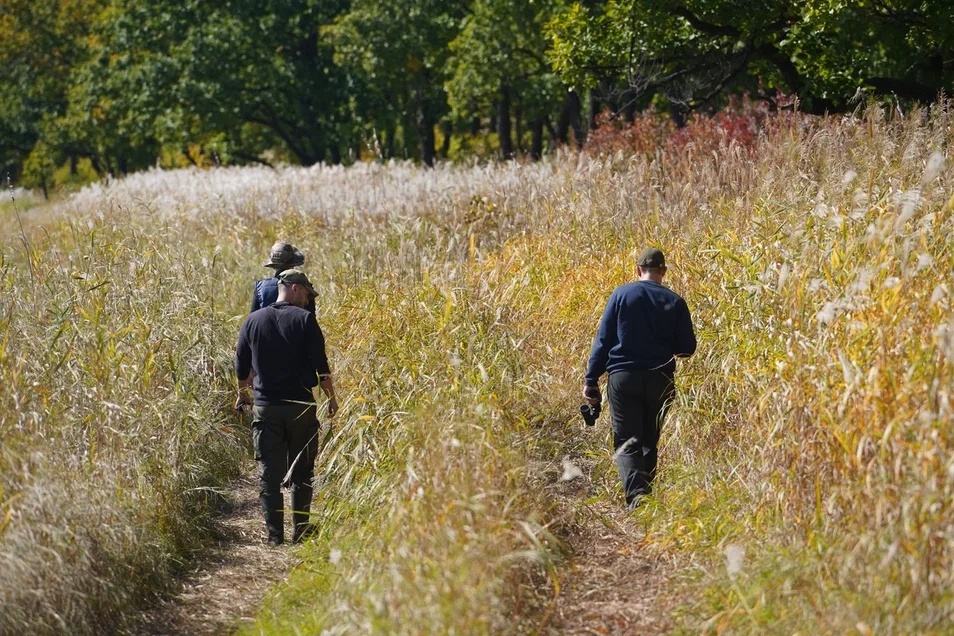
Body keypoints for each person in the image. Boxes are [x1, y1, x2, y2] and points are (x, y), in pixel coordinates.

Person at [583, 247, 696, 509]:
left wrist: (591, 380)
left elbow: (603, 340)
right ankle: (645, 501)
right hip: (660, 379)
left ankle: (638, 500)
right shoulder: (676, 301)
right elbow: (687, 349)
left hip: (623, 378)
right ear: (663, 271)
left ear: (637, 270)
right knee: (649, 440)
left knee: (627, 441)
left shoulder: (621, 295)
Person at [235, 268, 339, 545]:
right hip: (301, 408)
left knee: (269, 474)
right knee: (302, 471)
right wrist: (331, 398)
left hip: (266, 407)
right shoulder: (305, 320)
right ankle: (301, 531)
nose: (307, 299)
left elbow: (241, 365)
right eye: (306, 293)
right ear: (294, 288)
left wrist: (243, 395)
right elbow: (321, 365)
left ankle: (274, 536)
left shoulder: (253, 320)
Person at [251, 241, 315, 313]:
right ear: (293, 264)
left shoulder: (260, 287)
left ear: (273, 265)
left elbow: (253, 316)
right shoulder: (303, 287)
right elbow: (310, 316)